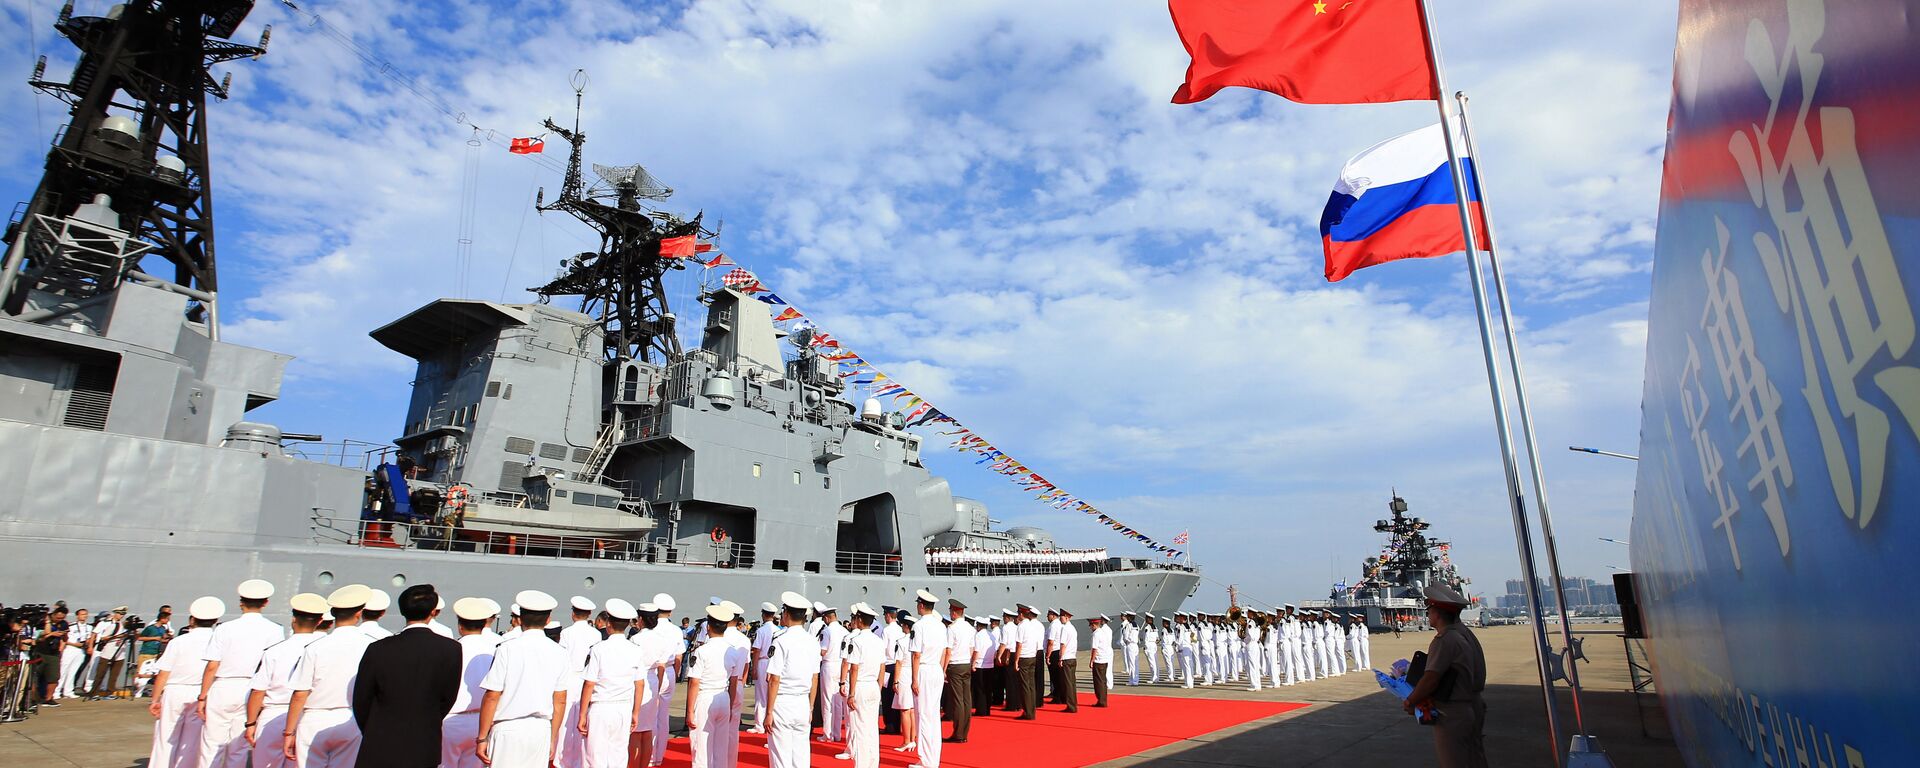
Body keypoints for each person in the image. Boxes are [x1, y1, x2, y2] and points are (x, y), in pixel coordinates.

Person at [353, 584, 461, 768]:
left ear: (402, 610)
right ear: (433, 612)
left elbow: (361, 699)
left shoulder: (378, 649)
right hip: (424, 740)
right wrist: (428, 719)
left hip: (380, 740)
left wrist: (373, 730)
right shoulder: (450, 649)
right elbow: (448, 697)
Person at [282, 585, 376, 768]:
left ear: (333, 614)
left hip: (314, 720)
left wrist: (289, 733)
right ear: (359, 614)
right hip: (352, 718)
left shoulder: (315, 647)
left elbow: (300, 693)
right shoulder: (372, 646)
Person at [476, 590, 570, 768]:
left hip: (507, 729)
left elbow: (492, 695)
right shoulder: (560, 652)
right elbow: (560, 701)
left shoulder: (507, 648)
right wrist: (552, 738)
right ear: (548, 620)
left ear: (520, 619)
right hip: (540, 730)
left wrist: (482, 737)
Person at [199, 579, 286, 768]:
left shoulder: (224, 628)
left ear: (241, 602)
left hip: (223, 686)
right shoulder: (275, 630)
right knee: (239, 747)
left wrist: (203, 695)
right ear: (265, 603)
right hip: (252, 688)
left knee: (211, 744)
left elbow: (213, 665)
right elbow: (272, 665)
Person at [1404, 584, 1488, 768]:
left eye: (1430, 610)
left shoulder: (1445, 640)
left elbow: (1431, 678)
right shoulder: (1464, 634)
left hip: (1453, 711)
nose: (1428, 615)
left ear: (1438, 613)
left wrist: (1411, 701)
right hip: (1470, 705)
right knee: (1474, 759)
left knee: (1454, 762)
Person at [244, 593, 326, 768]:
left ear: (293, 620)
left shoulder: (274, 651)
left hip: (273, 715)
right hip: (307, 716)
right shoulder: (325, 649)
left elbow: (258, 690)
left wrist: (250, 723)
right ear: (319, 621)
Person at [151, 597, 223, 768]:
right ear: (215, 621)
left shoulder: (178, 641)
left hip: (174, 691)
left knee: (165, 738)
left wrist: (155, 699)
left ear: (192, 620)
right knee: (192, 740)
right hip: (202, 692)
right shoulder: (218, 642)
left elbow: (163, 672)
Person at [577, 599, 642, 768]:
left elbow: (590, 683)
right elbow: (639, 683)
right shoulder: (635, 650)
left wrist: (582, 714)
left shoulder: (599, 649)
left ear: (608, 624)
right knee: (619, 756)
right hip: (623, 708)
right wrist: (636, 712)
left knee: (594, 757)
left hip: (601, 707)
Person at [441, 598, 502, 768]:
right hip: (483, 721)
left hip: (451, 721)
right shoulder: (496, 650)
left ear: (460, 625)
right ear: (484, 624)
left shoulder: (450, 649)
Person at [685, 604, 744, 768]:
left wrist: (690, 711)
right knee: (720, 746)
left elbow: (694, 682)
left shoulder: (701, 651)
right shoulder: (732, 651)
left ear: (708, 627)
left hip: (705, 698)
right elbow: (733, 681)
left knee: (701, 746)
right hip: (724, 697)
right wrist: (731, 706)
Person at [763, 592, 817, 768]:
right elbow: (814, 677)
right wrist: (810, 707)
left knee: (780, 756)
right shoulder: (812, 642)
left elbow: (774, 680)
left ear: (786, 613)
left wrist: (769, 712)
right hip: (802, 702)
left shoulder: (781, 641)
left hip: (783, 702)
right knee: (801, 756)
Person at [557, 595, 600, 768]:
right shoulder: (596, 634)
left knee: (566, 723)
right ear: (589, 614)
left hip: (569, 678)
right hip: (588, 679)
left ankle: (563, 760)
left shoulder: (566, 633)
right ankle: (580, 761)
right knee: (584, 722)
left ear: (573, 614)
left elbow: (562, 659)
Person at [907, 589, 947, 768]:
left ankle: (925, 760)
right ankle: (933, 758)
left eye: (917, 603)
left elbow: (916, 654)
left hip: (923, 670)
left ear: (922, 606)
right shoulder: (941, 625)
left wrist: (914, 679)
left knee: (922, 715)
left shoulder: (919, 626)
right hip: (936, 670)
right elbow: (945, 651)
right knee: (932, 715)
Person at [843, 604, 885, 768]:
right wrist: (879, 688)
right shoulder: (878, 640)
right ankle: (873, 763)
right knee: (872, 728)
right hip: (873, 686)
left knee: (859, 728)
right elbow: (882, 666)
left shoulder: (856, 640)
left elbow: (854, 668)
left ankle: (861, 765)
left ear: (859, 619)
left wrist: (851, 693)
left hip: (860, 685)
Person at [646, 593, 681, 767]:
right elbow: (679, 656)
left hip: (652, 672)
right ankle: (660, 755)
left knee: (650, 714)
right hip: (669, 671)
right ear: (671, 612)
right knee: (663, 715)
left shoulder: (652, 628)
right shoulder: (675, 630)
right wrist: (674, 673)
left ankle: (650, 756)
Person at [940, 599, 973, 743]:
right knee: (966, 700)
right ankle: (964, 732)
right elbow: (972, 648)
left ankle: (958, 733)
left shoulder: (952, 628)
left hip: (955, 665)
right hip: (966, 663)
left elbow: (948, 651)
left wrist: (944, 668)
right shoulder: (969, 628)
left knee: (958, 701)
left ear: (954, 612)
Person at [888, 609, 917, 751]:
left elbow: (898, 663)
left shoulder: (901, 641)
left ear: (905, 626)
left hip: (904, 674)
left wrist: (895, 681)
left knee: (905, 710)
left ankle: (906, 741)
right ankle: (912, 739)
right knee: (912, 709)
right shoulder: (916, 641)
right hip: (914, 673)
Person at [749, 603, 777, 735]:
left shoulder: (761, 631)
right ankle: (770, 721)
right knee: (772, 694)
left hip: (762, 662)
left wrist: (754, 668)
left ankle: (759, 724)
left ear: (764, 615)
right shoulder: (778, 630)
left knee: (760, 695)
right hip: (774, 663)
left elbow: (757, 650)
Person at [138, 606, 175, 697]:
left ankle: (144, 690)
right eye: (166, 618)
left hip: (155, 652)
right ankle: (138, 691)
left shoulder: (163, 628)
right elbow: (140, 637)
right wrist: (154, 638)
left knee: (152, 672)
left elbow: (162, 638)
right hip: (146, 652)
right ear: (162, 618)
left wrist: (166, 639)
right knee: (141, 672)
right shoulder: (151, 627)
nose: (168, 620)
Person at [1012, 604, 1041, 720]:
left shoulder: (1021, 626)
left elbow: (1019, 644)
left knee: (1024, 686)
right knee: (1031, 685)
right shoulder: (1032, 626)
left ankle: (1027, 712)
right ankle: (1032, 711)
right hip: (1032, 656)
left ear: (1021, 614)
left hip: (1024, 657)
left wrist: (1016, 660)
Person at [55, 607, 86, 700]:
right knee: (63, 670)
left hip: (81, 651)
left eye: (86, 614)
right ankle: (56, 691)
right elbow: (64, 639)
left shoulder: (89, 627)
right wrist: (73, 644)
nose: (85, 616)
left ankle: (68, 691)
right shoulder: (71, 626)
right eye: (82, 614)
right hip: (70, 649)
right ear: (77, 616)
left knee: (73, 671)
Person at [969, 615, 995, 718]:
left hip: (980, 665)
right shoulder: (991, 635)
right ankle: (987, 709)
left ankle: (981, 710)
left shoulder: (979, 636)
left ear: (979, 626)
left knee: (979, 689)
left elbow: (977, 651)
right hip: (990, 664)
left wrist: (973, 663)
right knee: (988, 689)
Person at [1054, 609, 1080, 712]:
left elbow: (1063, 645)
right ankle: (1073, 703)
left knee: (1068, 683)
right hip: (1073, 657)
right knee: (1072, 683)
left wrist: (1060, 658)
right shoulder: (1073, 628)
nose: (1060, 618)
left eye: (1061, 616)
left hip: (1066, 658)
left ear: (1066, 617)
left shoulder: (1065, 628)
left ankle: (1071, 706)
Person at [1088, 615, 1112, 707]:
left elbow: (1094, 649)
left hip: (1098, 661)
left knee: (1098, 682)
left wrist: (1091, 661)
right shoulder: (1102, 632)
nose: (1090, 627)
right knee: (1103, 681)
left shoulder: (1096, 634)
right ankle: (1103, 700)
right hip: (1104, 660)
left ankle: (1101, 701)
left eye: (1090, 625)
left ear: (1094, 625)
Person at [1118, 612, 1139, 686]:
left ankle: (1132, 680)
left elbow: (1126, 636)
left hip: (1130, 645)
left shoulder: (1128, 625)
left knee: (1131, 664)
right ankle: (1136, 680)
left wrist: (1125, 641)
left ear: (1129, 617)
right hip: (1135, 645)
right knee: (1135, 664)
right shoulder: (1136, 625)